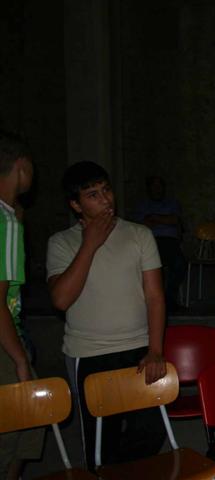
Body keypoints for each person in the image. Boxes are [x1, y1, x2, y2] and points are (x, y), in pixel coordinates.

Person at [46, 161, 167, 469]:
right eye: (93, 195)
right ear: (76, 205)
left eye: (106, 190)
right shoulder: (61, 242)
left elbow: (154, 296)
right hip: (90, 353)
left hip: (139, 349)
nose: (105, 200)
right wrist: (90, 244)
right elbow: (61, 299)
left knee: (151, 432)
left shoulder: (139, 234)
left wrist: (155, 349)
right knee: (102, 442)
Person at [0, 131, 41, 480]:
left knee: (29, 426)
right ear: (21, 167)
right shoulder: (7, 220)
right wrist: (20, 359)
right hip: (4, 340)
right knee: (19, 428)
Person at [134, 175, 186, 312]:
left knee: (179, 265)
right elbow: (142, 225)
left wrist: (154, 217)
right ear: (149, 189)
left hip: (170, 241)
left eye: (159, 186)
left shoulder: (172, 203)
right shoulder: (143, 205)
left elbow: (175, 220)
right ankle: (154, 302)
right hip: (151, 242)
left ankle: (169, 300)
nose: (157, 189)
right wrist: (164, 219)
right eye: (154, 186)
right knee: (153, 266)